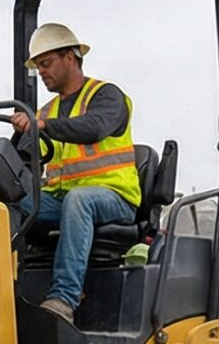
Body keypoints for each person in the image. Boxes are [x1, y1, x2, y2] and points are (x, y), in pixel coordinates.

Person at [8, 23, 140, 325]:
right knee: (11, 206)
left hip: (114, 199)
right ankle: (3, 291)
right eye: (38, 67)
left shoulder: (107, 96)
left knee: (79, 200)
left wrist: (43, 127)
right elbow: (22, 158)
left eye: (46, 63)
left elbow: (93, 128)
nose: (42, 72)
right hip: (61, 198)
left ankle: (64, 299)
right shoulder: (43, 112)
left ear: (70, 57)